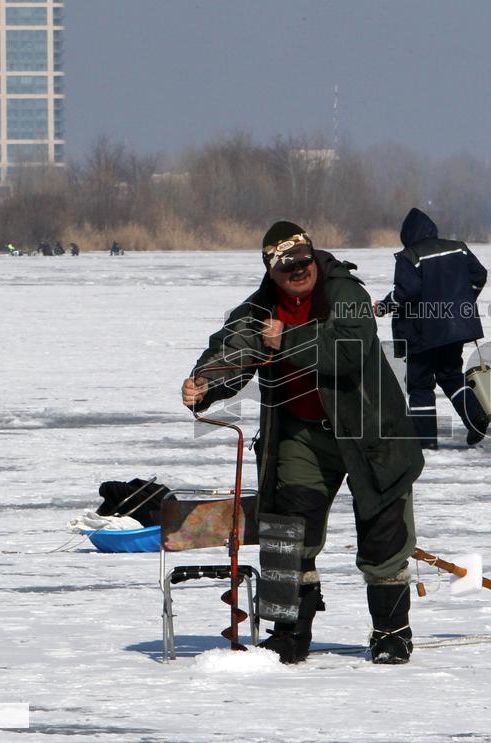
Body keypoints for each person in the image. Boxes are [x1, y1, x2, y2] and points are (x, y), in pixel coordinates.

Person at [181, 221, 424, 665]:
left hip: (371, 435)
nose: (298, 271)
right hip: (301, 436)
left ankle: (392, 633)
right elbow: (232, 349)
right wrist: (204, 382)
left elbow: (351, 350)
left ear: (314, 258)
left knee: (383, 535)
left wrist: (288, 339)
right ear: (270, 272)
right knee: (288, 533)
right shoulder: (260, 310)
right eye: (287, 267)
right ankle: (290, 633)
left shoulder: (345, 293)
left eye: (303, 262)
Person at [374, 208, 489, 449]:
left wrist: (384, 306)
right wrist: (464, 304)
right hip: (456, 329)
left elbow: (408, 292)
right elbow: (479, 275)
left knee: (420, 385)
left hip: (422, 332)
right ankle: (476, 417)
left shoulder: (411, 256)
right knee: (450, 376)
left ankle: (425, 442)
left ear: (408, 235)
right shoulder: (458, 247)